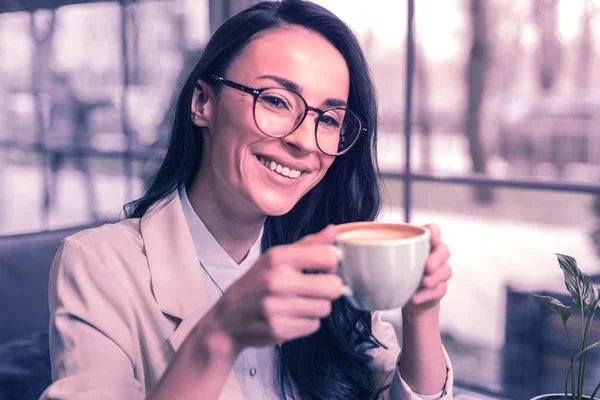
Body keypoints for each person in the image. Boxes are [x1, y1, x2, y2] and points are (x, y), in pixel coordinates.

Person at [40, 1, 454, 399]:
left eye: (328, 120)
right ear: (202, 103)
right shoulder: (98, 265)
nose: (302, 140)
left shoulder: (335, 256)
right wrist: (219, 334)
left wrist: (421, 315)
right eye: (275, 100)